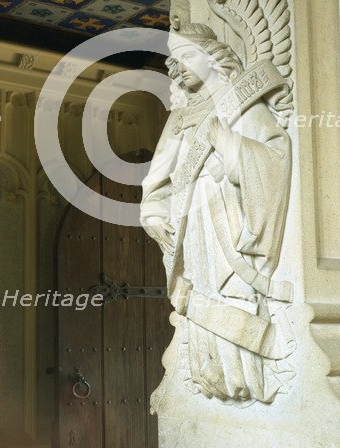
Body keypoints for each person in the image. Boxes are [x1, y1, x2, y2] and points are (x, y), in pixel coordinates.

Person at [140, 22, 293, 403]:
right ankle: (212, 379)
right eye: (174, 61)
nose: (179, 68)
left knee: (234, 291)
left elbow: (276, 152)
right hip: (193, 225)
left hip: (231, 220)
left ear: (213, 56)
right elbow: (157, 181)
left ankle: (248, 379)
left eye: (188, 56)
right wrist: (153, 213)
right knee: (202, 293)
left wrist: (234, 151)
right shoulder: (179, 118)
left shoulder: (239, 101)